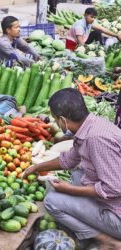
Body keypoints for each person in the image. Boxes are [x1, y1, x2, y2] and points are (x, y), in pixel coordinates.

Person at [23, 88, 121, 250]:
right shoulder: (92, 125)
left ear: (62, 120)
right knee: (78, 174)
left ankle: (108, 241)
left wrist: (70, 190)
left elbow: (113, 187)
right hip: (114, 199)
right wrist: (36, 167)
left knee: (51, 201)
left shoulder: (97, 139)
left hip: (117, 214)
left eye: (55, 119)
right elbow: (68, 160)